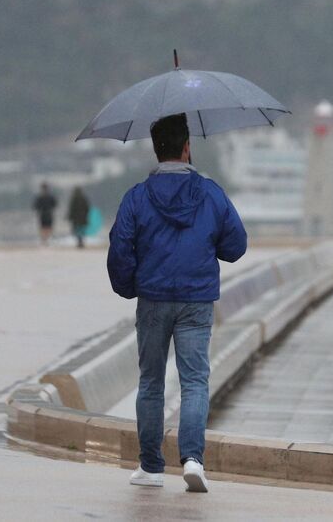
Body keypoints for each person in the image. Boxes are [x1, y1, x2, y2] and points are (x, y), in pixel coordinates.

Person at [107, 113, 247, 494]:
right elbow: (236, 246)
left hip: (152, 299)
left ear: (157, 150)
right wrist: (206, 244)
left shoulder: (136, 197)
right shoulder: (211, 192)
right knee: (195, 382)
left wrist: (128, 286)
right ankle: (193, 460)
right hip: (196, 300)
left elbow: (120, 248)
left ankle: (151, 467)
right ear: (187, 147)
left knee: (151, 382)